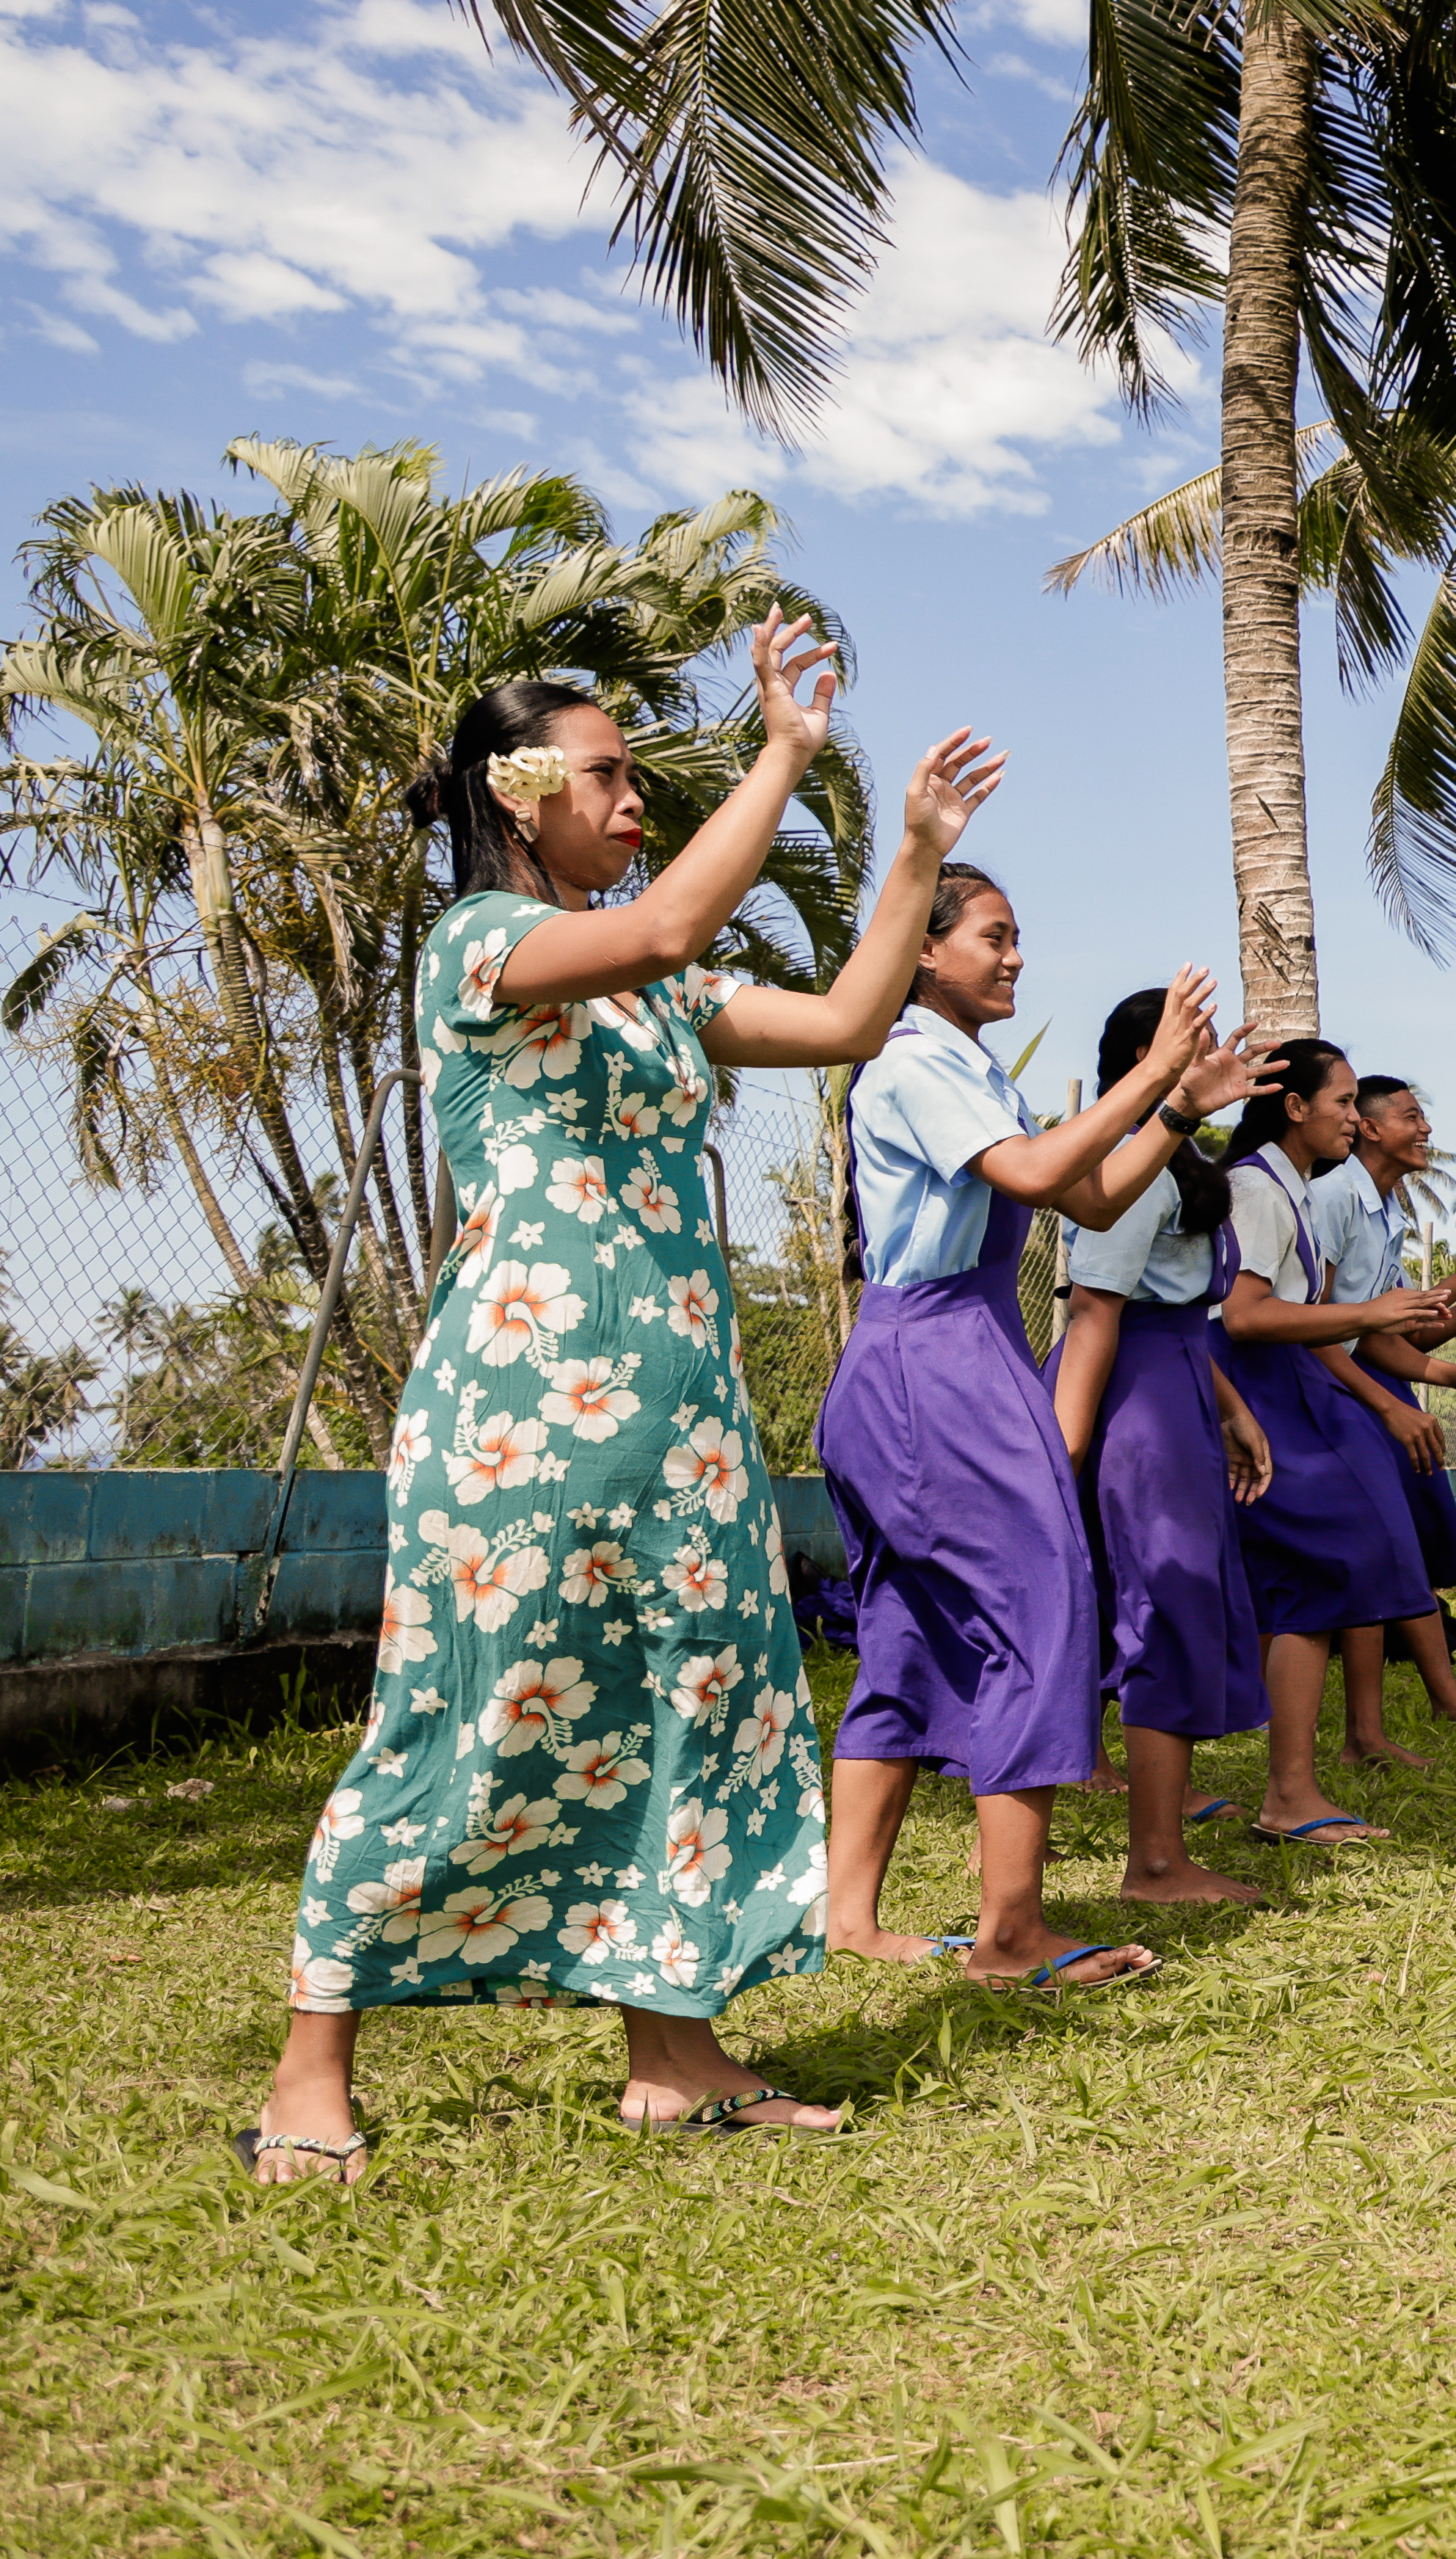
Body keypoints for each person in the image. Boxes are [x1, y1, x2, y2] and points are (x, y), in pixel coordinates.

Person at [257, 628, 989, 2180]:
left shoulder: (668, 991)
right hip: (521, 1405)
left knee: (695, 1703)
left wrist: (917, 854)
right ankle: (311, 2061)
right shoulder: (478, 943)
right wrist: (782, 753)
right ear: (521, 799)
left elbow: (853, 1022)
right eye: (607, 774)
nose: (635, 798)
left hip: (683, 1409)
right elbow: (659, 925)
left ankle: (677, 2057)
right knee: (472, 1703)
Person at [818, 873, 1247, 1993]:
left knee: (909, 1627)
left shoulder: (963, 1062)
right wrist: (1151, 1071)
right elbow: (1035, 1171)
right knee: (1042, 1606)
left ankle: (850, 1917)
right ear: (921, 952)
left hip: (952, 1350)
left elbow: (1092, 1197)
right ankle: (1009, 1935)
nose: (1015, 957)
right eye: (994, 937)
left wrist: (1181, 1109)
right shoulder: (912, 1058)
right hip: (932, 1360)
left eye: (1018, 939)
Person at [1220, 1041, 1456, 1850]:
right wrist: (1374, 1339)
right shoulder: (1264, 1188)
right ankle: (1289, 1786)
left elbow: (1330, 1313)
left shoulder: (1292, 1186)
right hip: (1265, 1389)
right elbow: (1246, 1315)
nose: (1353, 1118)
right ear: (1294, 1107)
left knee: (1336, 1568)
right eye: (1345, 1103)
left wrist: (1426, 1343)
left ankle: (1315, 1772)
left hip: (1295, 1386)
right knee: (1328, 1563)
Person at [1049, 986, 1280, 1905]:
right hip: (1134, 1399)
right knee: (1162, 1604)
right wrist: (1060, 1460)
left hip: (1175, 1382)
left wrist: (1228, 1407)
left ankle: (1162, 1814)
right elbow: (1098, 1309)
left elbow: (1173, 1307)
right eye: (1197, 1040)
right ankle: (1155, 1862)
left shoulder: (1174, 1153)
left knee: (1166, 1598)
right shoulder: (1130, 1159)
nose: (1216, 1053)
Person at [1315, 1074, 1456, 1736]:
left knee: (1391, 1550)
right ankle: (1397, 1720)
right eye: (1412, 1115)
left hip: (1345, 1382)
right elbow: (1312, 1325)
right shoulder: (1335, 1196)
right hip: (1312, 1390)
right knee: (1378, 1549)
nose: (1427, 1128)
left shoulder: (1388, 1210)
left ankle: (1422, 1710)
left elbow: (1388, 1334)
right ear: (1369, 1128)